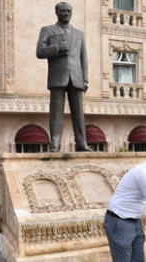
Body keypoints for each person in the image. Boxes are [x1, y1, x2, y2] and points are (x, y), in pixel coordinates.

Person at [36, 2, 91, 152]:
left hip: (76, 77)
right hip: (57, 76)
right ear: (57, 12)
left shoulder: (79, 34)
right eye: (63, 11)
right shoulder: (47, 30)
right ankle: (55, 143)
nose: (66, 13)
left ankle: (81, 143)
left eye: (68, 11)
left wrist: (85, 79)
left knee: (79, 113)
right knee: (56, 113)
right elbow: (39, 52)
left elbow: (83, 58)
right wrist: (57, 49)